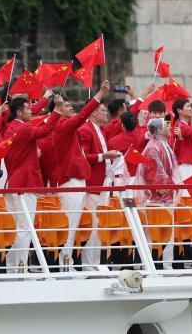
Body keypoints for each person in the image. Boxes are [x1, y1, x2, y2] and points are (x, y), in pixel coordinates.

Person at [0, 94, 62, 273]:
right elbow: (46, 130)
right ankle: (21, 267)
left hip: (13, 182)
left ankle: (13, 266)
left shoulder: (10, 128)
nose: (31, 111)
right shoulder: (25, 129)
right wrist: (56, 109)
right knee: (25, 226)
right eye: (28, 109)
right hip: (25, 183)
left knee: (17, 227)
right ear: (19, 112)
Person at [46, 88, 104, 271]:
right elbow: (81, 117)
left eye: (70, 105)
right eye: (66, 105)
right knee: (69, 225)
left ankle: (67, 263)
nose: (71, 108)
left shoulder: (66, 126)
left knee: (73, 225)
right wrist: (100, 94)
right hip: (70, 180)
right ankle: (65, 265)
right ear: (57, 110)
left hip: (76, 180)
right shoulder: (61, 125)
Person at [77, 98, 122, 270]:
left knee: (99, 225)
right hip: (93, 184)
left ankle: (96, 262)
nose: (106, 113)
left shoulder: (100, 131)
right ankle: (89, 264)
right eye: (102, 110)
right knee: (92, 225)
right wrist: (104, 156)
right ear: (93, 112)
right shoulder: (85, 130)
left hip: (103, 183)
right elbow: (84, 158)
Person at [135, 117, 181, 268]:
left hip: (167, 195)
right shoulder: (153, 147)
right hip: (156, 198)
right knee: (154, 233)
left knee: (168, 232)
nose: (170, 128)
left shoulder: (164, 145)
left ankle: (167, 265)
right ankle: (150, 265)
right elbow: (151, 170)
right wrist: (159, 186)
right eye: (167, 126)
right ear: (159, 130)